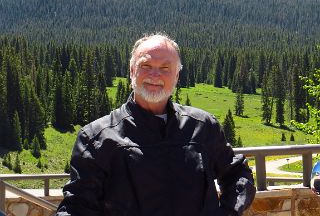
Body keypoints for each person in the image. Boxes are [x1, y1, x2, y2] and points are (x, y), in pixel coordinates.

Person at [56, 33, 256, 216]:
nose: (155, 75)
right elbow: (77, 207)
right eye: (146, 66)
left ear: (176, 76)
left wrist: (228, 212)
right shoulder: (97, 138)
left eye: (165, 68)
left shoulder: (203, 127)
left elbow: (238, 174)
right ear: (132, 70)